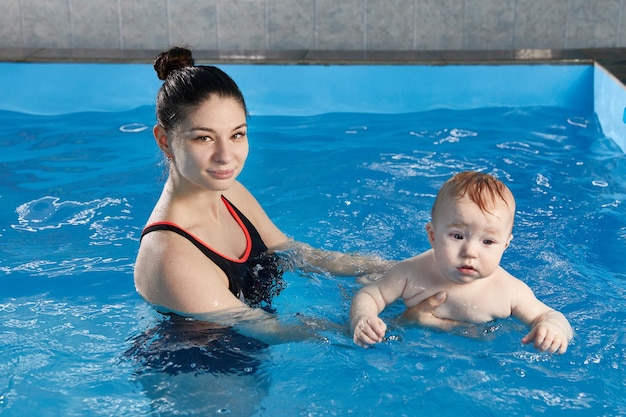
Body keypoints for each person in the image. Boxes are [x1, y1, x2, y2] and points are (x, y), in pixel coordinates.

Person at [133, 46, 446, 344]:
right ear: (164, 141)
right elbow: (270, 330)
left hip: (252, 352)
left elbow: (295, 253)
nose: (226, 156)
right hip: (202, 375)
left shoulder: (230, 193)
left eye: (237, 134)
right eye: (204, 138)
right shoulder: (170, 256)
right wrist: (400, 323)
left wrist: (398, 269)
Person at [350, 171, 574, 354]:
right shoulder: (410, 273)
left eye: (488, 241)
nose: (470, 252)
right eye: (457, 236)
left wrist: (554, 328)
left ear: (505, 246)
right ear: (433, 236)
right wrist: (364, 317)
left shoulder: (509, 292)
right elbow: (369, 295)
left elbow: (548, 315)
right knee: (367, 272)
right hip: (407, 308)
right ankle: (321, 258)